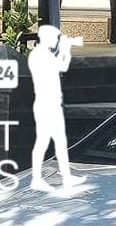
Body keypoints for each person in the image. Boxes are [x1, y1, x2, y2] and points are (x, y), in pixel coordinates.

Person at [28, 25, 86, 192]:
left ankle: (66, 176)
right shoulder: (39, 55)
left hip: (52, 103)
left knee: (60, 141)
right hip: (45, 104)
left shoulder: (45, 54)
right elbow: (57, 67)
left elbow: (63, 67)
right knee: (43, 141)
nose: (56, 41)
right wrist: (64, 49)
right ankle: (37, 178)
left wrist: (65, 50)